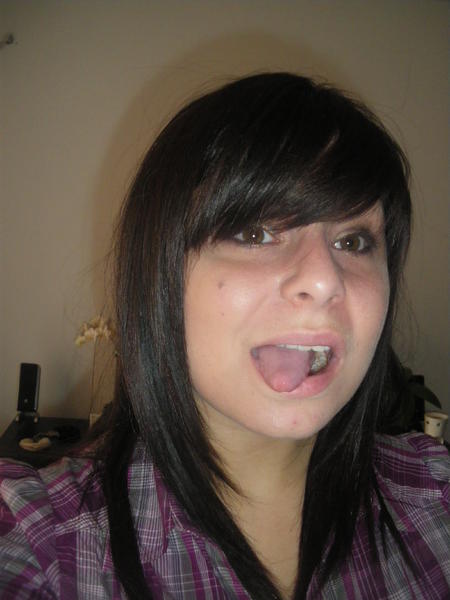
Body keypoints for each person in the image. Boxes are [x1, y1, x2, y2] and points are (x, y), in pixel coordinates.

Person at [0, 73, 448, 600]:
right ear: (160, 274)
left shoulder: (434, 497)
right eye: (256, 233)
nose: (325, 279)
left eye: (353, 242)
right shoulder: (42, 543)